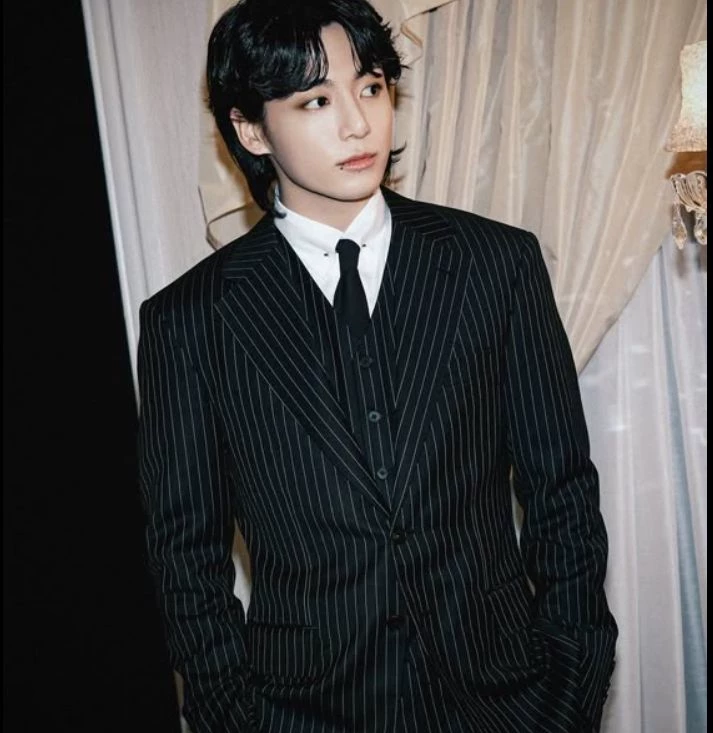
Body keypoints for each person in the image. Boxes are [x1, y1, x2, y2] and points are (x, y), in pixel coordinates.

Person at [137, 1, 618, 731]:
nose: (358, 123)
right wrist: (233, 715)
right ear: (250, 129)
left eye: (370, 87)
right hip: (301, 710)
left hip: (511, 700)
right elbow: (185, 556)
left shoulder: (496, 264)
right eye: (315, 101)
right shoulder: (189, 320)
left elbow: (563, 492)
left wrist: (571, 682)